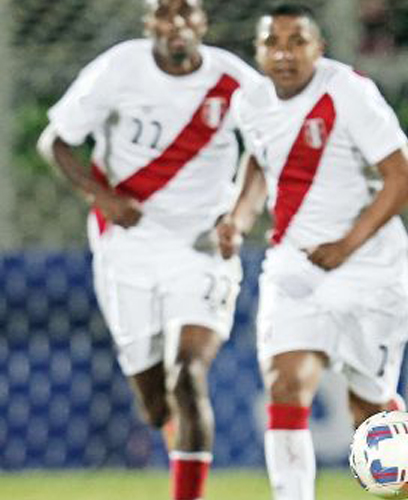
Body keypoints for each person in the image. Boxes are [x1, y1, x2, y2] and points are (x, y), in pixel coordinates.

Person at [36, 1, 260, 499]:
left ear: (203, 21)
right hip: (127, 246)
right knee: (156, 404)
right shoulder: (119, 68)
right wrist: (102, 197)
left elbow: (267, 148)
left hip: (202, 246)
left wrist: (239, 218)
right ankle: (173, 435)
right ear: (149, 23)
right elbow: (56, 142)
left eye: (186, 11)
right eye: (164, 12)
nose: (175, 22)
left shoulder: (234, 80)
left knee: (189, 375)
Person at [215, 4, 408, 500]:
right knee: (285, 385)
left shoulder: (348, 91)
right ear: (258, 51)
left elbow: (404, 178)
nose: (284, 53)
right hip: (295, 264)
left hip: (368, 268)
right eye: (273, 43)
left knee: (368, 411)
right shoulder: (250, 102)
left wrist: (346, 245)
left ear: (319, 48)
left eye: (297, 42)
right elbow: (261, 161)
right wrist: (238, 219)